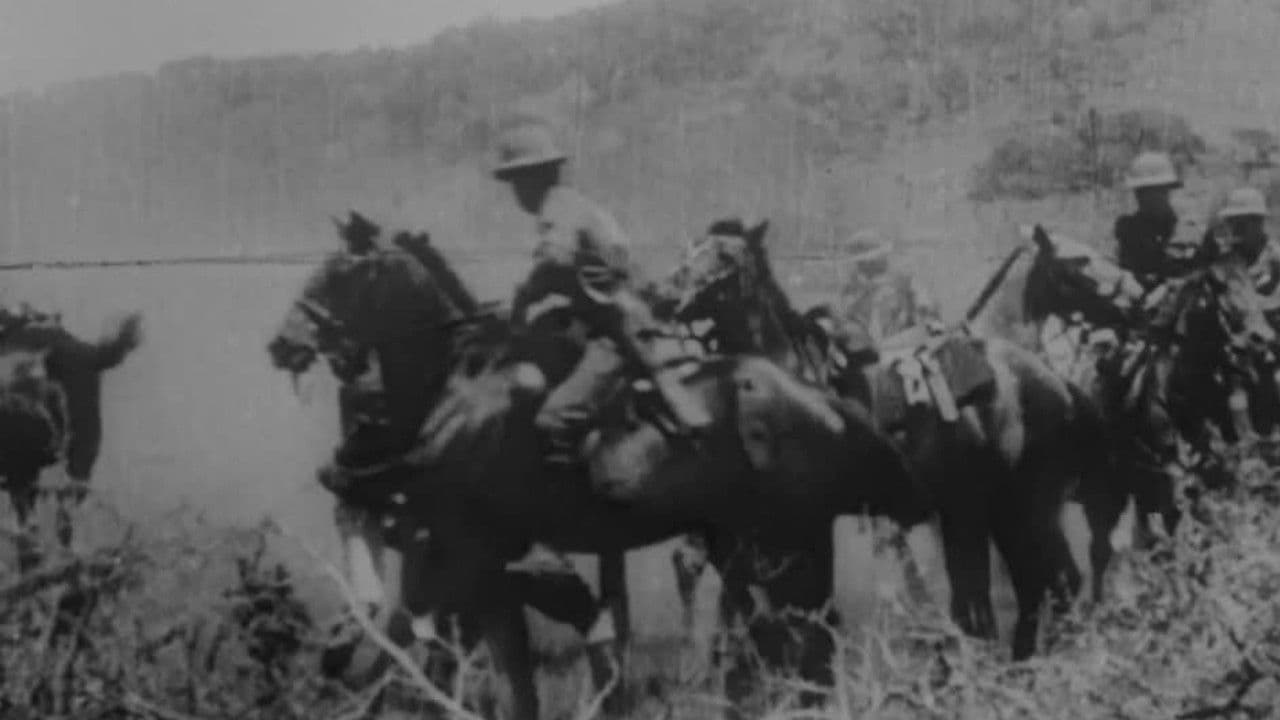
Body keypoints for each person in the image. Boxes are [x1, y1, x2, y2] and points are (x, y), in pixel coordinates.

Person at [491, 120, 711, 468]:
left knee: (553, 419)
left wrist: (518, 304)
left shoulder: (559, 209)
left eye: (518, 180)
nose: (516, 191)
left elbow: (551, 263)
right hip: (610, 323)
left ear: (539, 176)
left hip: (619, 333)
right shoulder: (570, 205)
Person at [1114, 151, 1188, 289]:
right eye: (1141, 192)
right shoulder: (1129, 229)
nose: (1145, 199)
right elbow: (1126, 271)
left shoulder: (1184, 230)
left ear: (1166, 191)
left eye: (1154, 192)